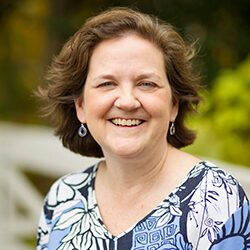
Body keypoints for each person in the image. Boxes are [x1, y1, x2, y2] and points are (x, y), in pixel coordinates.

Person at [36, 7, 250, 250]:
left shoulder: (215, 199)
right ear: (81, 106)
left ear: (173, 105)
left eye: (146, 84)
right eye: (107, 83)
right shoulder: (62, 200)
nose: (127, 101)